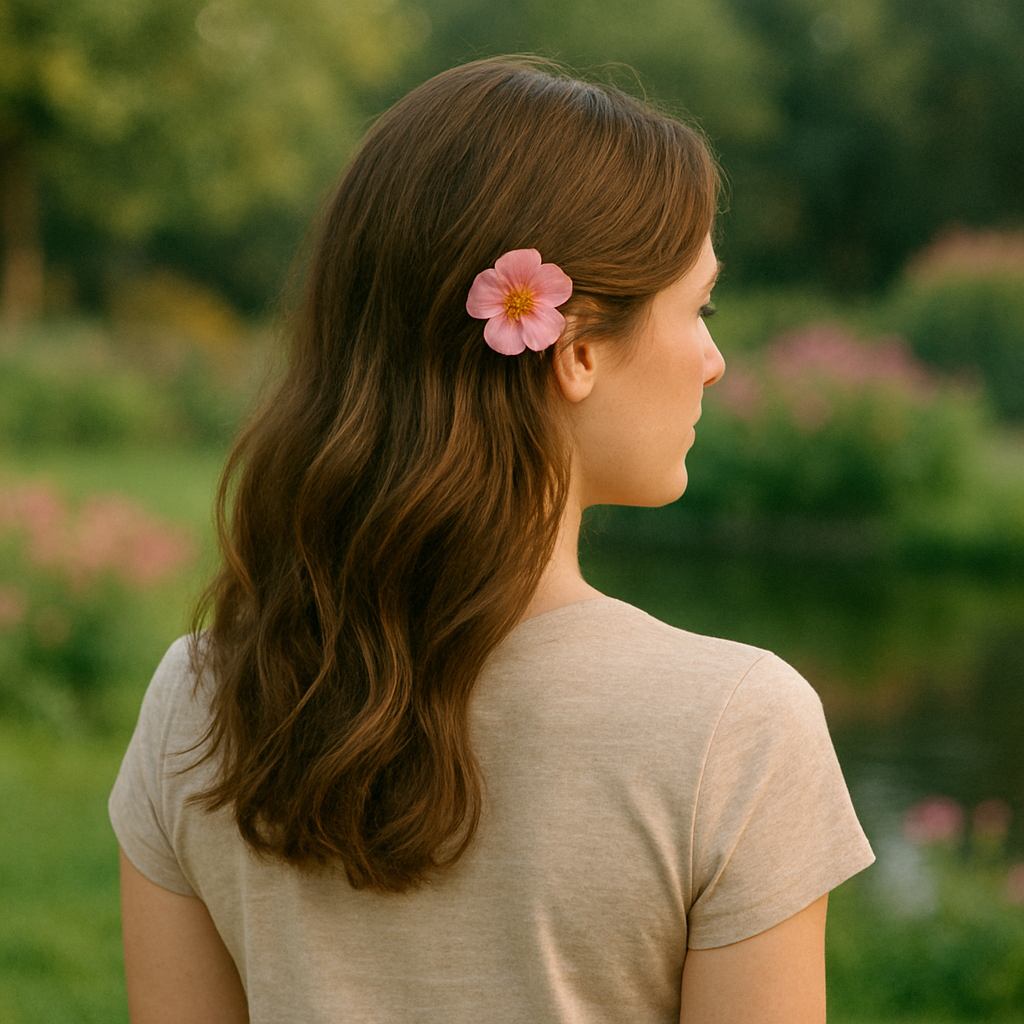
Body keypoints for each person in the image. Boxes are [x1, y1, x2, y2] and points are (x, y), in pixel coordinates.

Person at [110, 56, 874, 1023]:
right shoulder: (736, 728)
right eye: (701, 309)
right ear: (578, 348)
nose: (715, 362)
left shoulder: (199, 697)